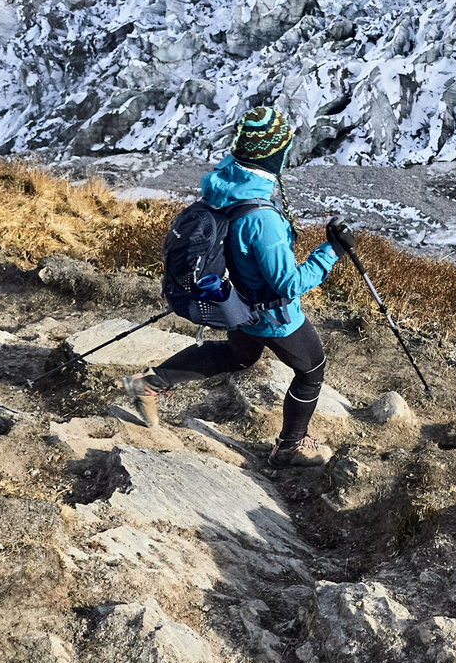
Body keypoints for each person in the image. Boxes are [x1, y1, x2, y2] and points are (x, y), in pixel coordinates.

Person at [135, 106, 348, 468]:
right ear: (273, 155)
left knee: (240, 356)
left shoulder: (225, 184)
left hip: (236, 304)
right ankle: (290, 448)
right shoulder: (262, 220)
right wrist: (333, 251)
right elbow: (289, 283)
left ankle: (150, 383)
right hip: (272, 314)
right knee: (312, 369)